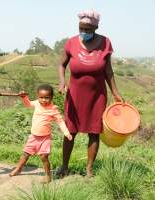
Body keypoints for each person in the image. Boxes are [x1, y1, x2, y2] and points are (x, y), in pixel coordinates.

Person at [57, 10, 123, 177]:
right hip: (75, 95)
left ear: (95, 27)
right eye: (81, 28)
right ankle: (64, 166)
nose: (84, 32)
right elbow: (61, 65)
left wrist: (115, 92)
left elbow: (108, 71)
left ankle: (89, 169)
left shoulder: (105, 42)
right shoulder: (71, 42)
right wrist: (62, 81)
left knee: (94, 132)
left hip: (97, 96)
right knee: (70, 131)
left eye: (88, 29)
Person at [9, 84, 73, 183]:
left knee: (44, 156)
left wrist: (66, 132)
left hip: (45, 138)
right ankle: (18, 168)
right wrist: (24, 97)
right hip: (33, 137)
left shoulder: (53, 109)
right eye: (41, 97)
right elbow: (28, 104)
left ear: (51, 97)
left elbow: (60, 121)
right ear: (38, 96)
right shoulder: (36, 104)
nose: (43, 100)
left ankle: (47, 175)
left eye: (47, 98)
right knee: (25, 154)